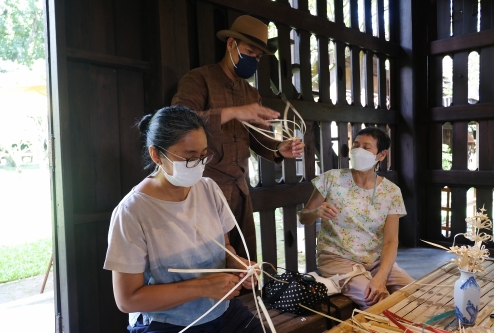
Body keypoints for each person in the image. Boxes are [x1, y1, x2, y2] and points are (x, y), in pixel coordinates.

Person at [103, 106, 271, 333]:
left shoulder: (209, 189)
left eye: (203, 156)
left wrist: (239, 264)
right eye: (190, 158)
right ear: (156, 155)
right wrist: (202, 287)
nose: (199, 165)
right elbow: (127, 300)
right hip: (168, 323)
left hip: (220, 311)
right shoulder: (132, 212)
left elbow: (225, 247)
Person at [171, 15, 305, 263]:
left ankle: (244, 301)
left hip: (240, 188)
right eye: (249, 51)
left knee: (243, 258)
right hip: (204, 188)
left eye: (257, 57)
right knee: (211, 257)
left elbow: (255, 138)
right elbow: (178, 122)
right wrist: (233, 112)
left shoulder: (250, 92)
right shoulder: (199, 79)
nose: (253, 60)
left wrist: (279, 148)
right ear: (231, 44)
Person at [299, 127, 414, 309]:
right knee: (378, 302)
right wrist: (316, 212)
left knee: (414, 294)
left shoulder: (391, 192)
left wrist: (381, 277)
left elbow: (391, 242)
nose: (358, 150)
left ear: (381, 155)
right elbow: (304, 218)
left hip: (375, 261)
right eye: (356, 145)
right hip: (337, 259)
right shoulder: (331, 179)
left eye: (366, 147)